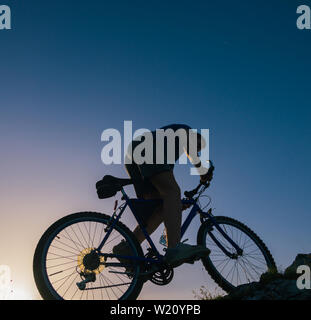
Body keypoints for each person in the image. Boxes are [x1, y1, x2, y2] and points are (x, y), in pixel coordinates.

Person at [113, 124, 212, 269]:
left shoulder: (168, 152)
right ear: (196, 137)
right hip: (146, 149)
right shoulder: (185, 131)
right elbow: (191, 152)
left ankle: (129, 247)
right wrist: (203, 171)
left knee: (160, 207)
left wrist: (174, 205)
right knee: (172, 192)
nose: (196, 150)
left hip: (133, 155)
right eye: (198, 146)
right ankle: (174, 249)